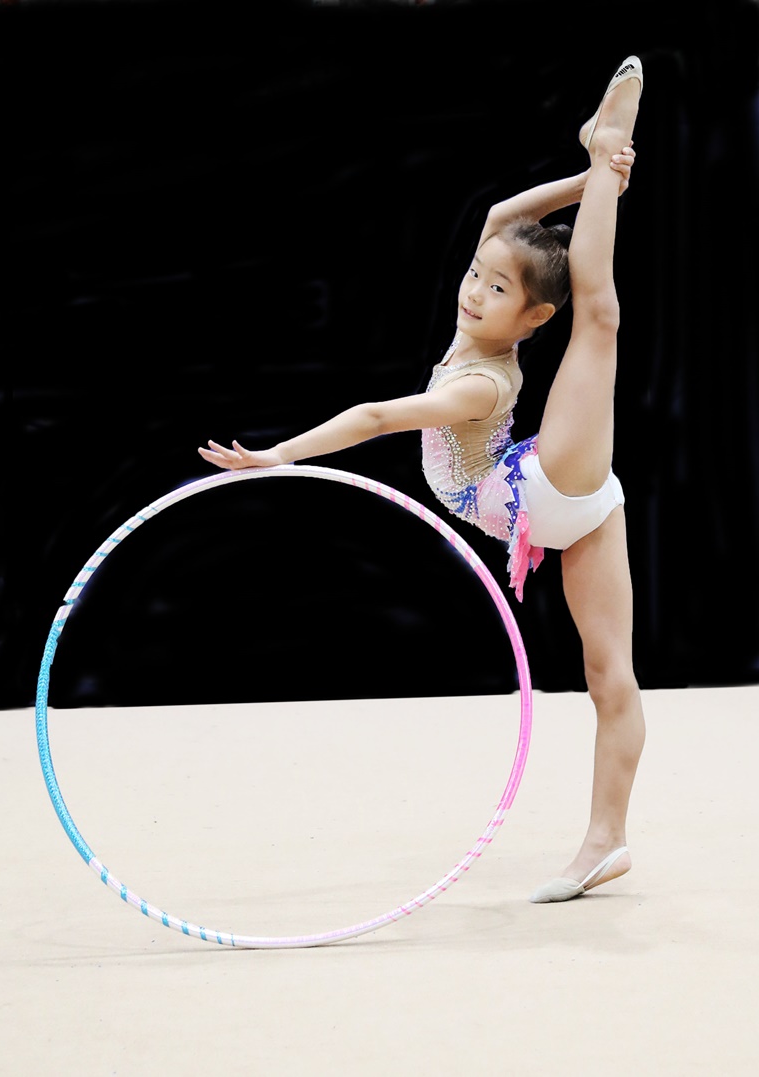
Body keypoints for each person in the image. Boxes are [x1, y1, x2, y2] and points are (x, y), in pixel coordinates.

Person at [199, 57, 646, 903]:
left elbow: (374, 416)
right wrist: (584, 179)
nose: (474, 292)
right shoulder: (476, 323)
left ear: (531, 318)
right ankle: (603, 152)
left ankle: (605, 836)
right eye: (476, 275)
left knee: (601, 317)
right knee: (602, 670)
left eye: (498, 288)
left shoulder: (481, 384)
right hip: (561, 512)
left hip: (542, 491)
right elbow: (502, 217)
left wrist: (280, 454)